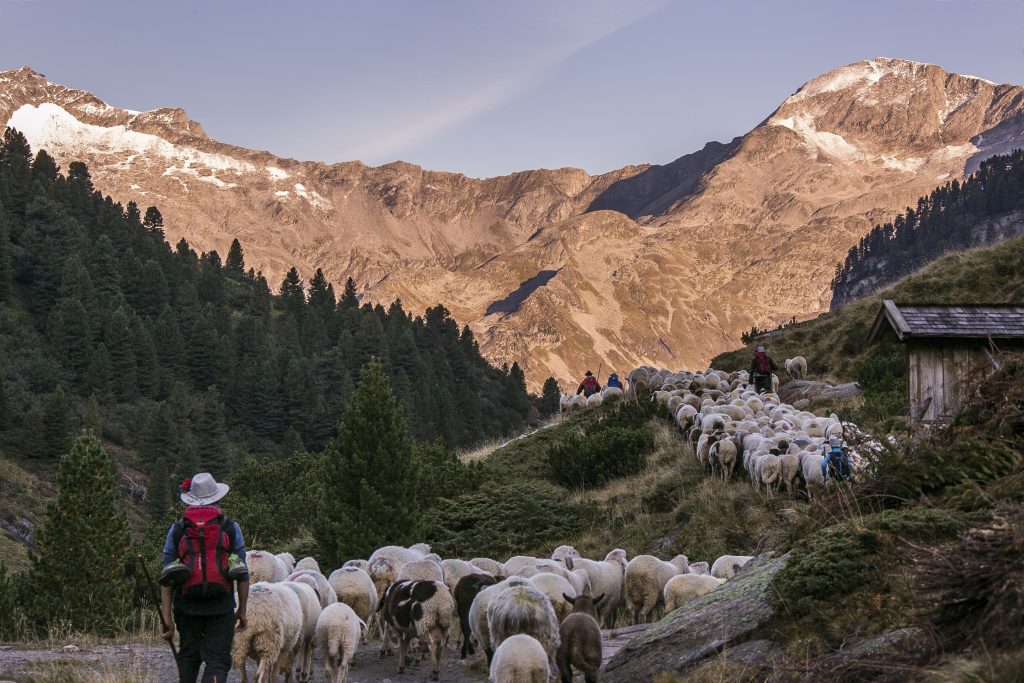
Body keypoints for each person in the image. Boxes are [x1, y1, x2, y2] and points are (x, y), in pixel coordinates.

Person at [159, 472, 249, 683]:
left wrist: (167, 617)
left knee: (189, 658)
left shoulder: (178, 529)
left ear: (190, 499)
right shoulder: (230, 527)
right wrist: (242, 610)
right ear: (217, 498)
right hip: (221, 606)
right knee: (217, 662)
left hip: (186, 607)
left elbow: (167, 576)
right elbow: (242, 573)